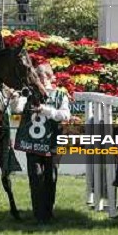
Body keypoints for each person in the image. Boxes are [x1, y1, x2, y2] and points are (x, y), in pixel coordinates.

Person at [12, 63, 71, 223]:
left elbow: (65, 115)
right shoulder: (30, 94)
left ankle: (48, 211)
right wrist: (16, 97)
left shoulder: (60, 95)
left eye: (43, 76)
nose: (39, 80)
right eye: (36, 77)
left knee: (50, 177)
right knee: (35, 177)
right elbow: (17, 109)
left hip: (52, 142)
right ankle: (39, 215)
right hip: (33, 144)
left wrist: (46, 110)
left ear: (52, 78)